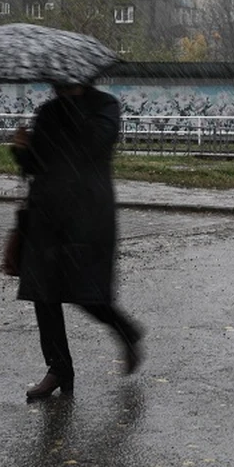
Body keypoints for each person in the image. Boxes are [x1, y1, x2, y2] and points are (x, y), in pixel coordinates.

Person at [11, 82, 144, 400]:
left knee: (87, 292)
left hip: (87, 216)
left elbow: (94, 146)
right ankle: (59, 369)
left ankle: (126, 331)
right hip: (46, 215)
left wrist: (71, 108)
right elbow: (35, 165)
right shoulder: (47, 112)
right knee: (43, 292)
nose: (57, 84)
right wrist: (21, 148)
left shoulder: (104, 107)